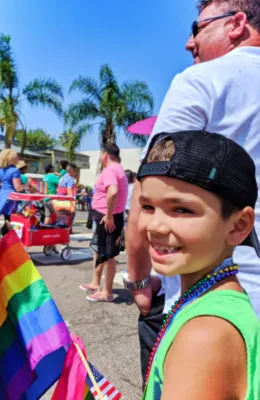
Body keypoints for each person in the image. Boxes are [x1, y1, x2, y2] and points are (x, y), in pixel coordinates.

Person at [127, 0, 260, 324]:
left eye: (197, 28)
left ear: (237, 23)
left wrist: (139, 281)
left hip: (216, 299)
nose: (189, 42)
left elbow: (149, 189)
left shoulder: (202, 80)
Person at [137, 131, 260, 398]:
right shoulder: (210, 299)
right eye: (147, 206)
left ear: (238, 226)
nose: (155, 226)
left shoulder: (204, 336)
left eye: (181, 209)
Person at [80, 143, 128, 302]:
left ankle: (106, 292)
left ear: (106, 155)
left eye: (101, 154)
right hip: (105, 216)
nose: (100, 158)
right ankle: (95, 283)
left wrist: (108, 215)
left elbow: (113, 192)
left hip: (107, 218)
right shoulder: (118, 169)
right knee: (99, 250)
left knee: (108, 255)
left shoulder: (110, 170)